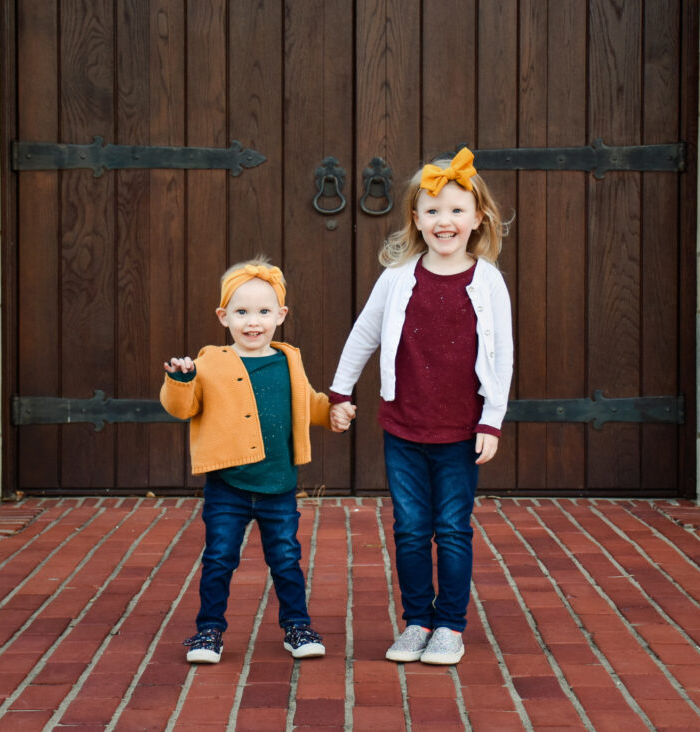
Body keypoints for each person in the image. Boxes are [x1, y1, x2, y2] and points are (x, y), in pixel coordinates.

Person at [329, 147, 513, 665]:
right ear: (416, 218)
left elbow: (502, 354)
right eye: (432, 211)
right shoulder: (398, 277)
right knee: (410, 528)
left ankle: (450, 626)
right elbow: (363, 335)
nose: (444, 221)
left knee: (452, 528)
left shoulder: (487, 280)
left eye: (456, 210)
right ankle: (416, 621)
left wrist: (491, 421)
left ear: (477, 218)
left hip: (459, 430)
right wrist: (341, 392)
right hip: (404, 427)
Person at [160, 258, 354, 664]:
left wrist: (332, 414)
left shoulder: (289, 360)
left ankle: (296, 625)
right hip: (227, 485)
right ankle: (208, 631)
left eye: (264, 312)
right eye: (242, 312)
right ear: (223, 316)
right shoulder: (210, 361)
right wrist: (181, 380)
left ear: (280, 315)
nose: (253, 322)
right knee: (219, 559)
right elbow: (183, 408)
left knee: (286, 559)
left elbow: (307, 402)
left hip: (278, 485)